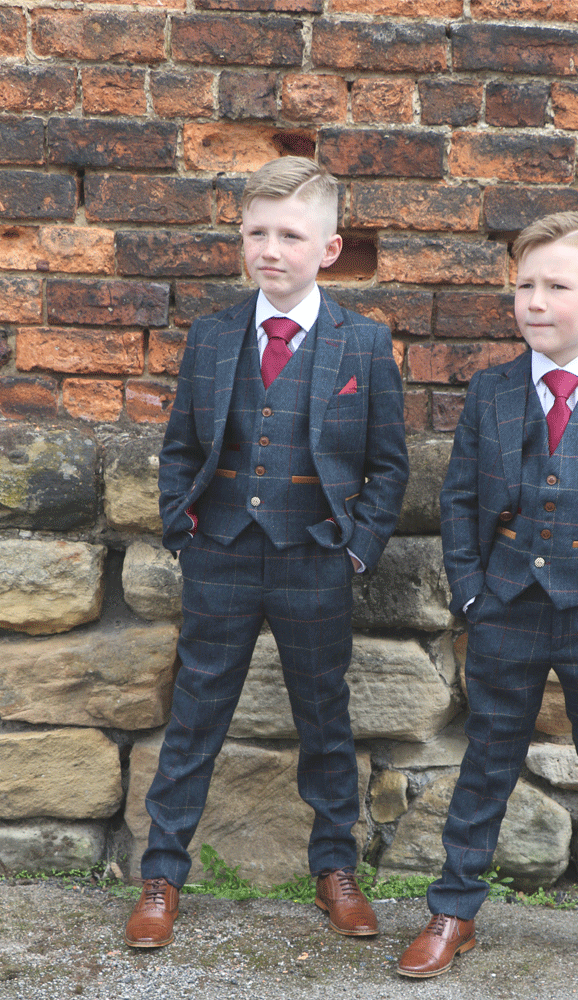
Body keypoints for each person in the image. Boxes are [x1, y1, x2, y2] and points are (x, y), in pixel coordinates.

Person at [397, 212, 578, 984]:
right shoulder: (491, 392)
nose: (534, 300)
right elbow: (460, 500)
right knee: (486, 761)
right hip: (507, 607)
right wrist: (472, 596)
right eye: (524, 284)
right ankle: (454, 910)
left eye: (556, 285)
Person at [124, 156, 408, 948]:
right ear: (241, 239)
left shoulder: (363, 342)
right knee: (195, 716)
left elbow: (389, 464)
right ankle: (162, 874)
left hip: (316, 556)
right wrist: (182, 530)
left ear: (330, 249)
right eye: (257, 233)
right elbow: (182, 445)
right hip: (218, 551)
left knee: (324, 717)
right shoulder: (213, 335)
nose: (270, 250)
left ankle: (334, 869)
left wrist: (356, 550)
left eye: (291, 235)